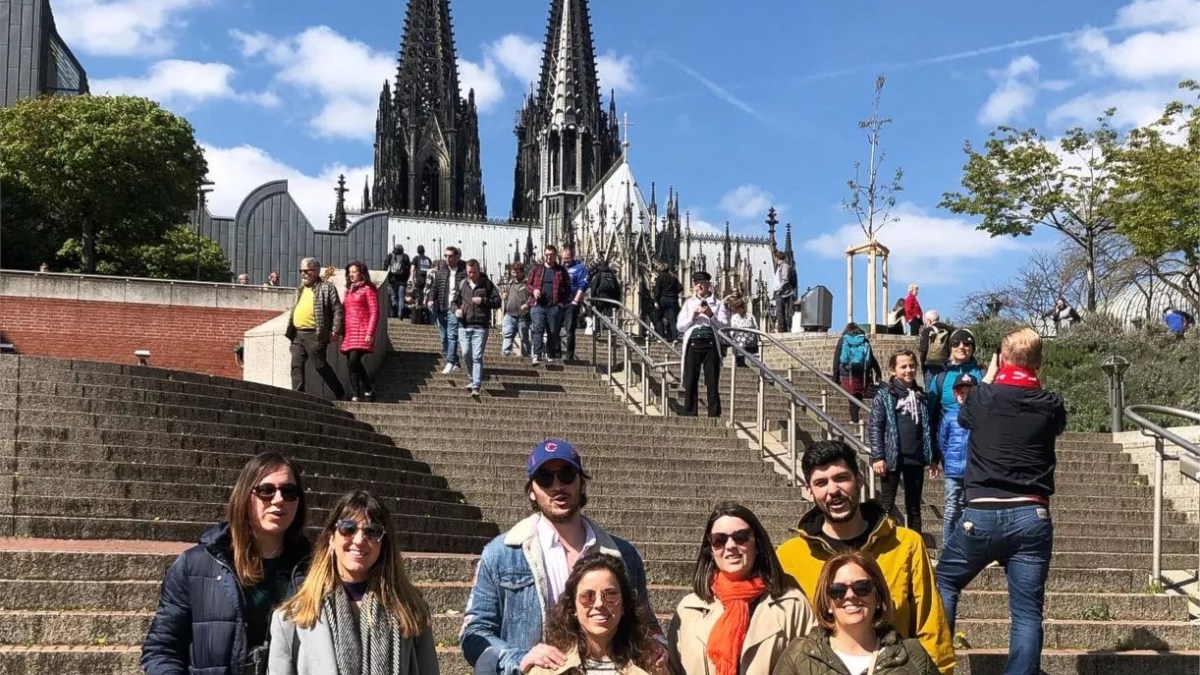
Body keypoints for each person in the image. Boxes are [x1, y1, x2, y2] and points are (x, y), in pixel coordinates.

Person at [461, 439, 661, 675]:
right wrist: (519, 658)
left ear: (581, 484)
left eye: (566, 474)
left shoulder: (622, 554)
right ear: (532, 491)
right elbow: (474, 632)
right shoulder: (502, 553)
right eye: (545, 478)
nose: (557, 486)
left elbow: (645, 623)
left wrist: (659, 645)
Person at [936, 328, 1066, 675]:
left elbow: (964, 419)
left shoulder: (983, 397)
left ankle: (937, 663)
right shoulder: (1051, 403)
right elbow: (1054, 427)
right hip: (1032, 514)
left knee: (945, 582)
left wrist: (989, 376)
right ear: (1039, 363)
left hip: (982, 512)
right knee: (1026, 613)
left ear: (1002, 358)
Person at [776, 440, 953, 675]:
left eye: (841, 478)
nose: (833, 490)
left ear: (859, 479)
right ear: (809, 492)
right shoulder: (790, 556)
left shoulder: (905, 544)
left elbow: (932, 629)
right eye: (821, 483)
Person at [142, 453, 311, 675]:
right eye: (266, 490)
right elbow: (162, 649)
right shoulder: (195, 565)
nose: (278, 499)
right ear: (244, 495)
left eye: (289, 492)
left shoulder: (315, 568)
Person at [269, 490, 437, 675]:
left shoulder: (411, 612)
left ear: (383, 543)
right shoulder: (292, 618)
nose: (359, 540)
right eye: (348, 528)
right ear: (331, 537)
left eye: (372, 532)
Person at [667, 502, 815, 675]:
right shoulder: (688, 610)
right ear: (711, 549)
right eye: (719, 540)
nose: (730, 546)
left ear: (757, 544)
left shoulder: (792, 606)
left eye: (741, 537)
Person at [773, 553, 939, 675]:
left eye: (862, 587)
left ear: (878, 596)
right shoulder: (799, 655)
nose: (850, 595)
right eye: (837, 590)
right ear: (828, 603)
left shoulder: (912, 656)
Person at [528, 553, 662, 675]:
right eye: (587, 596)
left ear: (624, 605)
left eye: (610, 594)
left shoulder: (653, 666)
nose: (599, 604)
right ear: (573, 607)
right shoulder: (546, 670)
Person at [868, 350, 940, 536]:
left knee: (914, 506)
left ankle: (916, 544)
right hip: (892, 456)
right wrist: (878, 456)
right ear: (893, 370)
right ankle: (882, 541)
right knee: (886, 504)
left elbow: (929, 428)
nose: (908, 370)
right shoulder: (884, 396)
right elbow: (875, 426)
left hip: (915, 456)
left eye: (912, 366)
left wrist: (932, 457)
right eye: (903, 366)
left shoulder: (921, 397)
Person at [286, 257, 346, 399]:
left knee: (320, 365)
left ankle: (339, 392)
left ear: (316, 271)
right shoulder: (300, 288)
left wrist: (335, 330)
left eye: (306, 271)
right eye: (301, 271)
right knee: (296, 365)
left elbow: (338, 310)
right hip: (297, 334)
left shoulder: (327, 288)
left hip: (315, 335)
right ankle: (298, 396)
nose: (303, 274)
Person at [677, 271, 729, 418]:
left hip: (710, 344)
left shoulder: (718, 304)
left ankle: (714, 414)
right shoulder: (689, 303)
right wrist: (692, 317)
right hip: (693, 344)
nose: (698, 285)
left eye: (701, 282)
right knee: (691, 380)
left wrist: (711, 314)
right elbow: (680, 326)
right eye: (696, 283)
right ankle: (690, 412)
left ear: (708, 284)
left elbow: (725, 326)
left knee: (712, 381)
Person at [457, 258, 503, 397]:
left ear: (479, 270)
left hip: (481, 326)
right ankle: (471, 378)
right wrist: (456, 310)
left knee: (477, 356)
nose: (472, 275)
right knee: (466, 353)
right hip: (464, 325)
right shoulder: (463, 284)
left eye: (474, 272)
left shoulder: (487, 284)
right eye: (469, 272)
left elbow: (498, 302)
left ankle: (476, 385)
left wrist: (483, 301)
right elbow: (455, 301)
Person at [938, 372, 974, 550]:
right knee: (952, 507)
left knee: (968, 509)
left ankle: (964, 544)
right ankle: (947, 545)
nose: (964, 396)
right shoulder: (950, 416)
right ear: (954, 394)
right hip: (953, 469)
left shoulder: (979, 417)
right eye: (961, 393)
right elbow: (943, 441)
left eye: (968, 393)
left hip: (973, 470)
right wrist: (948, 460)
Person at [341, 260, 380, 402]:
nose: (351, 275)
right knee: (351, 363)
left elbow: (375, 312)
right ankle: (356, 394)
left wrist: (370, 332)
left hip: (362, 331)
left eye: (354, 272)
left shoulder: (368, 289)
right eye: (349, 272)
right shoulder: (348, 290)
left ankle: (367, 388)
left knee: (353, 360)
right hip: (349, 331)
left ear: (362, 273)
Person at [527, 245, 572, 366]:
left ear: (555, 256)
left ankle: (551, 355)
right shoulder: (537, 269)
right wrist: (534, 291)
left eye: (551, 255)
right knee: (538, 329)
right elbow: (528, 285)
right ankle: (537, 355)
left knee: (553, 331)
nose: (549, 257)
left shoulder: (561, 270)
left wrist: (562, 303)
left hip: (554, 306)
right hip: (538, 305)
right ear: (544, 255)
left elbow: (568, 288)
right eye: (547, 255)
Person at [427, 246, 468, 375]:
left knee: (451, 334)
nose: (447, 259)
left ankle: (450, 362)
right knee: (444, 337)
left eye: (450, 256)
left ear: (457, 257)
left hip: (454, 307)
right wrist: (431, 299)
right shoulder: (442, 271)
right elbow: (435, 287)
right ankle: (455, 362)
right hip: (441, 307)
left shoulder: (464, 272)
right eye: (446, 256)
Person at [831, 323, 881, 424]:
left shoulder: (843, 340)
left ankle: (854, 420)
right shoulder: (864, 340)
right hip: (862, 373)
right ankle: (855, 419)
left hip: (847, 372)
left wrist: (835, 376)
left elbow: (836, 359)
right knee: (857, 395)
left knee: (852, 396)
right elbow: (871, 357)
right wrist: (878, 371)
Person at [561, 244, 590, 361]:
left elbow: (583, 286)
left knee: (569, 330)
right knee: (554, 327)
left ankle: (569, 354)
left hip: (571, 303)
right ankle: (557, 351)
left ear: (572, 256)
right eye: (563, 258)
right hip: (558, 302)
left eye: (567, 258)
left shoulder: (580, 268)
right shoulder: (561, 268)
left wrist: (575, 301)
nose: (565, 261)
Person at [503, 262, 533, 358]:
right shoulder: (510, 283)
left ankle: (526, 356)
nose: (515, 275)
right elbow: (507, 294)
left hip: (523, 316)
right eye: (513, 272)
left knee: (524, 338)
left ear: (522, 272)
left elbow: (532, 297)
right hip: (510, 314)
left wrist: (527, 305)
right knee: (507, 334)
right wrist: (505, 297)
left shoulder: (527, 283)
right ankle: (505, 353)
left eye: (517, 273)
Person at [916, 311, 953, 380]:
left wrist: (923, 368)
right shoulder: (950, 330)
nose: (925, 324)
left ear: (929, 321)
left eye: (925, 322)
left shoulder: (927, 331)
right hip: (948, 366)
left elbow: (924, 350)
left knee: (931, 390)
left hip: (932, 367)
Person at [652, 267, 683, 342]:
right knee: (673, 320)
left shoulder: (660, 277)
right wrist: (674, 293)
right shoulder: (673, 277)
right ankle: (675, 338)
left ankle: (660, 337)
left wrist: (656, 301)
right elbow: (681, 287)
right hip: (673, 300)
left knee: (659, 318)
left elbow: (657, 290)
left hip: (662, 299)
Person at [728, 300, 759, 367]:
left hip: (749, 336)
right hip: (740, 336)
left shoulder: (750, 316)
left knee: (742, 340)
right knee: (739, 340)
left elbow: (755, 327)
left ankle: (743, 357)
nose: (740, 310)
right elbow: (732, 330)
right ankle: (740, 359)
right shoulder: (734, 317)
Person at [385, 243, 412, 319]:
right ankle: (400, 314)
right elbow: (408, 269)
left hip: (393, 280)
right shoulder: (405, 256)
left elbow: (385, 267)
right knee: (401, 297)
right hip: (402, 281)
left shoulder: (390, 256)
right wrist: (406, 278)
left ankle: (395, 313)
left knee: (394, 297)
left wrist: (388, 278)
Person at [772, 251, 796, 334]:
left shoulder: (784, 266)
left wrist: (779, 290)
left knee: (781, 311)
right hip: (780, 292)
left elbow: (785, 279)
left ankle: (782, 329)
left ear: (777, 257)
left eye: (775, 257)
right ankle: (782, 329)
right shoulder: (780, 266)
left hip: (782, 293)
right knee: (780, 311)